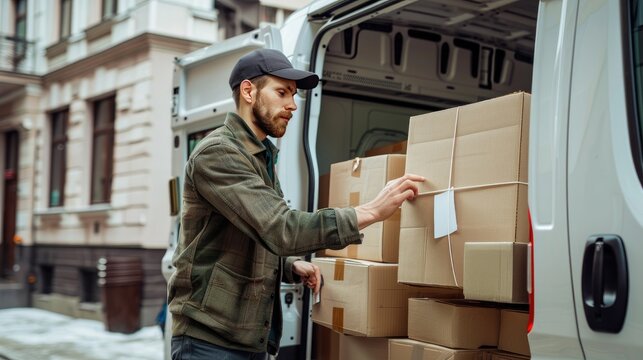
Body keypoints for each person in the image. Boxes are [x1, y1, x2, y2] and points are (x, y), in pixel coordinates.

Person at [167, 48, 424, 360]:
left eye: (294, 95)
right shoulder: (219, 154)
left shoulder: (259, 154)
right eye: (282, 92)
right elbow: (280, 229)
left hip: (244, 341)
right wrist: (368, 212)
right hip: (210, 342)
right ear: (249, 91)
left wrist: (287, 266)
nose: (292, 105)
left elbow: (252, 233)